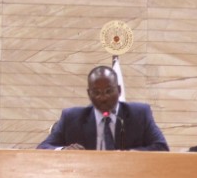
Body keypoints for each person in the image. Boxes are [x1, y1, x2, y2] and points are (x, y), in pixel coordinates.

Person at [36, 65, 168, 151]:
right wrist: (64, 150)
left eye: (108, 91)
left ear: (119, 90)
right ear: (89, 93)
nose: (103, 97)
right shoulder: (72, 118)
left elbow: (162, 148)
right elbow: (42, 148)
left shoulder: (139, 114)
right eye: (96, 92)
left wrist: (129, 155)